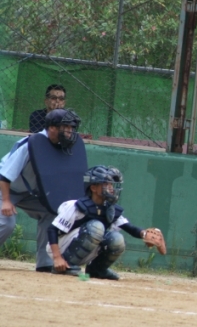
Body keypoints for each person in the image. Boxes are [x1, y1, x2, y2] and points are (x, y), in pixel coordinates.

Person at [0, 108, 85, 272]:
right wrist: (6, 201)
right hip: (5, 188)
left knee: (52, 212)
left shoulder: (63, 147)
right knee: (7, 222)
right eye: (66, 127)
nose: (70, 131)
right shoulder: (31, 144)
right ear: (52, 128)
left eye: (72, 127)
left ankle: (45, 263)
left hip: (29, 192)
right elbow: (4, 175)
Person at [47, 165, 166, 280]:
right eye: (105, 184)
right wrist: (57, 257)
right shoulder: (75, 205)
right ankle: (66, 264)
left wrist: (144, 234)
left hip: (85, 247)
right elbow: (52, 229)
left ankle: (97, 269)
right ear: (93, 188)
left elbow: (129, 228)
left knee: (117, 239)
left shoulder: (109, 209)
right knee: (96, 227)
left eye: (111, 184)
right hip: (61, 248)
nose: (111, 188)